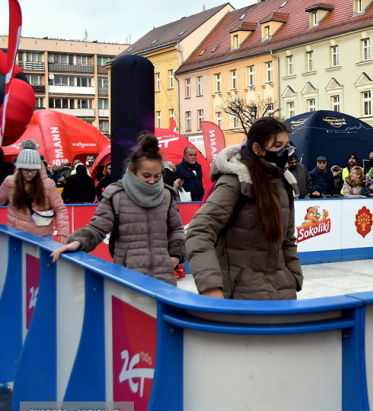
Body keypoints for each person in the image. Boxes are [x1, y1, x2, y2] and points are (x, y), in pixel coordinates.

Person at [186, 117, 302, 300]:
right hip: (241, 294)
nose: (285, 152)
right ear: (257, 148)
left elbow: (287, 239)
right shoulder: (235, 182)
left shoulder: (284, 184)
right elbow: (199, 232)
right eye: (278, 146)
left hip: (282, 292)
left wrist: (293, 278)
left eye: (287, 146)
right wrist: (210, 286)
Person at [52, 134, 186, 283]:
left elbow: (177, 230)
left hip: (164, 279)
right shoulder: (116, 194)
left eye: (156, 176)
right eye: (146, 175)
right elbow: (97, 228)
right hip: (129, 278)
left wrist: (174, 258)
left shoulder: (167, 195)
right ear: (133, 170)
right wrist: (77, 242)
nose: (152, 181)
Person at [0, 140, 69, 242]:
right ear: (19, 169)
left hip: (43, 237)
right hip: (16, 235)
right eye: (26, 170)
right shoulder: (10, 182)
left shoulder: (47, 184)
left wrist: (63, 233)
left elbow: (60, 209)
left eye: (33, 170)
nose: (30, 174)